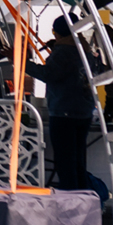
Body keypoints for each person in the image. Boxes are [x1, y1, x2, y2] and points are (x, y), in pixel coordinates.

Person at [25, 16, 96, 192]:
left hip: (63, 111)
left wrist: (22, 63)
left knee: (65, 162)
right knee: (79, 161)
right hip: (84, 111)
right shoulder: (85, 49)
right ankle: (83, 198)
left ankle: (69, 200)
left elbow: (48, 74)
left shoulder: (63, 51)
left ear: (58, 33)